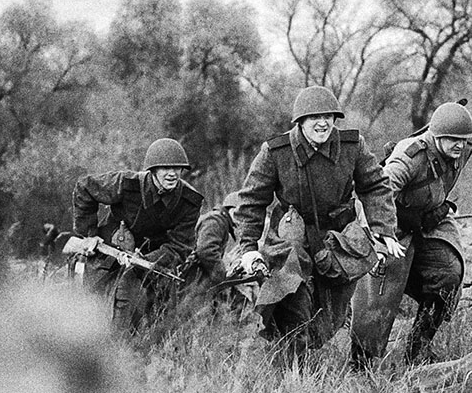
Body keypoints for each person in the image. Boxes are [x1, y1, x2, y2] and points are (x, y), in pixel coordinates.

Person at [232, 85, 404, 363]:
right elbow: (251, 201)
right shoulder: (276, 152)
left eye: (328, 117)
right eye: (314, 117)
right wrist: (248, 248)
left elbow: (375, 186)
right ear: (300, 121)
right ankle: (291, 368)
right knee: (290, 298)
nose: (322, 123)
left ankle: (303, 350)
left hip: (337, 239)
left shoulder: (352, 146)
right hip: (291, 239)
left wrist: (383, 229)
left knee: (329, 318)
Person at [351, 101, 472, 366]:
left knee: (449, 275)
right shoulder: (409, 157)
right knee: (378, 294)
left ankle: (418, 349)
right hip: (392, 224)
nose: (459, 145)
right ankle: (361, 362)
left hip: (429, 222)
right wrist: (382, 234)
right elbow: (378, 191)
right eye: (453, 139)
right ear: (436, 136)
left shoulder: (463, 151)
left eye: (463, 140)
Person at [72, 138, 203, 331]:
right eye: (165, 168)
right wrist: (89, 234)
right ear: (153, 169)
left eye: (177, 168)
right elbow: (85, 188)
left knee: (144, 314)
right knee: (89, 303)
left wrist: (144, 260)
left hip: (150, 262)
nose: (172, 173)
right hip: (109, 249)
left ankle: (122, 344)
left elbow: (180, 247)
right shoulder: (127, 184)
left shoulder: (189, 201)